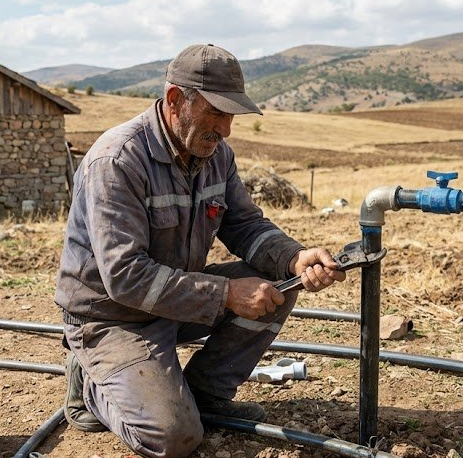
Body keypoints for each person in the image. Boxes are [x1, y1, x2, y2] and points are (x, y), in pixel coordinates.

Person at [54, 43, 346, 458]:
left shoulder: (216, 155)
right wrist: (225, 294)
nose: (226, 129)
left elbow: (244, 225)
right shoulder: (118, 161)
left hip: (172, 302)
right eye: (216, 113)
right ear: (175, 100)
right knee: (173, 438)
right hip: (111, 317)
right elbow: (125, 276)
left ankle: (205, 395)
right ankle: (89, 382)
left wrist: (294, 258)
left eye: (231, 116)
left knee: (278, 283)